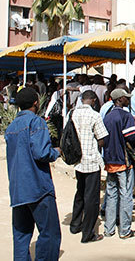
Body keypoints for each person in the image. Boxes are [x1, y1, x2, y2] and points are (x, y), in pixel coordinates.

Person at [5, 87, 62, 260]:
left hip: (18, 188)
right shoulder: (36, 122)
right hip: (38, 186)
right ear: (36, 103)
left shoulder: (11, 126)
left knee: (21, 234)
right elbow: (42, 153)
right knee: (50, 232)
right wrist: (57, 151)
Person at [70, 90, 109, 243]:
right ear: (93, 100)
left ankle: (75, 224)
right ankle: (88, 234)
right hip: (91, 160)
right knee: (92, 199)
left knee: (80, 193)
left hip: (78, 160)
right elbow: (102, 138)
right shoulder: (95, 115)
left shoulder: (73, 113)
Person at [102, 88, 135, 239]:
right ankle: (124, 230)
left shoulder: (107, 117)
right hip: (123, 161)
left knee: (111, 194)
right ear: (120, 99)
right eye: (126, 97)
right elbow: (131, 138)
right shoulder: (126, 116)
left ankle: (109, 229)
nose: (128, 100)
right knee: (125, 195)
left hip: (109, 160)